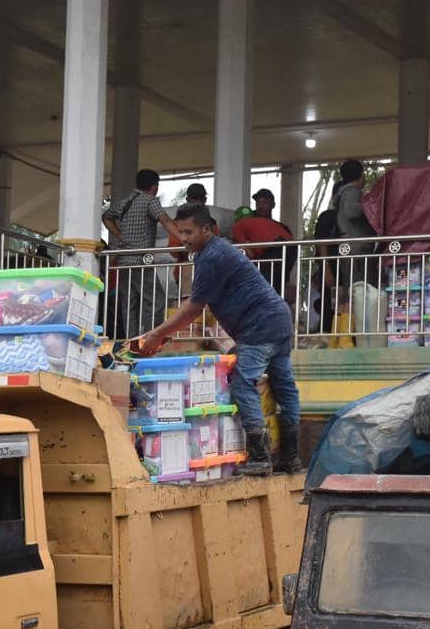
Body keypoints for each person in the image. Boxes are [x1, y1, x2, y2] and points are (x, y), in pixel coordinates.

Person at [138, 203, 302, 476]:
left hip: (259, 327)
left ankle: (261, 457)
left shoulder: (212, 255)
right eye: (180, 232)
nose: (184, 238)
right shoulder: (214, 252)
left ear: (207, 229)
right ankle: (291, 457)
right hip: (277, 320)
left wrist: (157, 333)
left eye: (189, 232)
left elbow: (193, 308)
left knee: (242, 386)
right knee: (285, 387)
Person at [102, 169, 178, 338]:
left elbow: (106, 217)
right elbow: (165, 220)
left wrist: (119, 234)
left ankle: (131, 342)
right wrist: (182, 237)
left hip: (124, 262)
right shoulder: (150, 201)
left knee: (130, 304)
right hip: (141, 261)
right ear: (154, 186)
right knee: (156, 301)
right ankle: (148, 338)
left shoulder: (125, 202)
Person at [233, 191, 296, 293]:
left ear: (273, 205)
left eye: (265, 203)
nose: (261, 207)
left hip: (275, 256)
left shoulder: (281, 227)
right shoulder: (249, 222)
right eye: (258, 203)